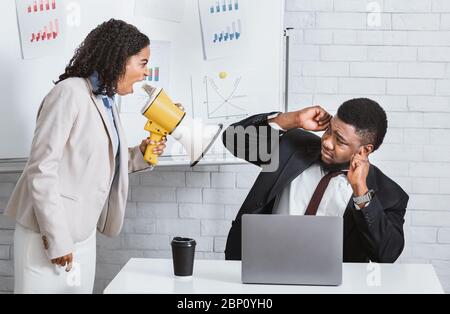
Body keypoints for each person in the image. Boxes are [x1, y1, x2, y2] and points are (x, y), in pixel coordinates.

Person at [4, 19, 169, 293]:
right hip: (45, 236)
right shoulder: (69, 93)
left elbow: (98, 161)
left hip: (83, 235)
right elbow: (42, 169)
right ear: (119, 60)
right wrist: (57, 239)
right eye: (142, 63)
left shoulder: (107, 101)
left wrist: (140, 154)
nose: (146, 72)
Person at [222, 98, 409, 263]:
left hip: (331, 286)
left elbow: (386, 254)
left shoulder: (388, 194)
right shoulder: (292, 148)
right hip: (261, 263)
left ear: (364, 150)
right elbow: (232, 139)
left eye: (340, 141)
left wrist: (361, 192)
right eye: (329, 130)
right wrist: (292, 119)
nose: (327, 142)